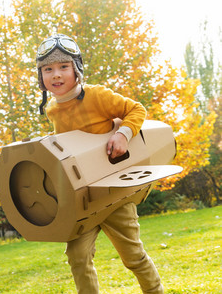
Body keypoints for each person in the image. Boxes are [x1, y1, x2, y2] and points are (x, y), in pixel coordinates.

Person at [36, 34, 164, 294]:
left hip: (114, 192)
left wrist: (122, 134)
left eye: (63, 67)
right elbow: (71, 140)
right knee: (78, 257)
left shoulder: (96, 96)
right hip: (83, 198)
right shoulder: (52, 109)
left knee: (133, 257)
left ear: (77, 69)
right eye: (48, 69)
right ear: (41, 78)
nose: (56, 75)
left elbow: (136, 109)